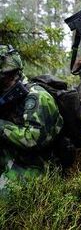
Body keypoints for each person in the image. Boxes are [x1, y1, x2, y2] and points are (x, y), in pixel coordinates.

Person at [0, 44, 64, 191]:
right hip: (14, 155)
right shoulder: (8, 94)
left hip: (38, 165)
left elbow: (34, 140)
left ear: (7, 75)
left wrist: (2, 126)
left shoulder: (36, 97)